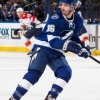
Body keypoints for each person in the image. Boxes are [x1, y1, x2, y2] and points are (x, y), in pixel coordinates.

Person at [9, 0, 91, 100]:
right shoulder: (55, 18)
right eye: (62, 4)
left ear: (73, 7)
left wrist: (83, 48)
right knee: (34, 73)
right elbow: (53, 42)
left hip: (57, 51)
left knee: (66, 72)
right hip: (43, 46)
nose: (62, 7)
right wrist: (71, 47)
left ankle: (51, 97)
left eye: (66, 5)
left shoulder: (78, 20)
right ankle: (14, 98)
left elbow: (73, 37)